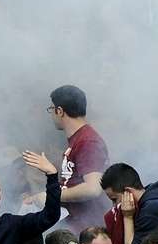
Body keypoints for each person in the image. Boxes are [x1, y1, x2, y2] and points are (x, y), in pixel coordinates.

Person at [26, 85, 108, 233]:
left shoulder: (88, 141)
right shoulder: (78, 140)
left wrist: (52, 196)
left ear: (60, 111)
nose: (51, 115)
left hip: (87, 230)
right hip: (74, 225)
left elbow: (93, 188)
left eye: (52, 110)